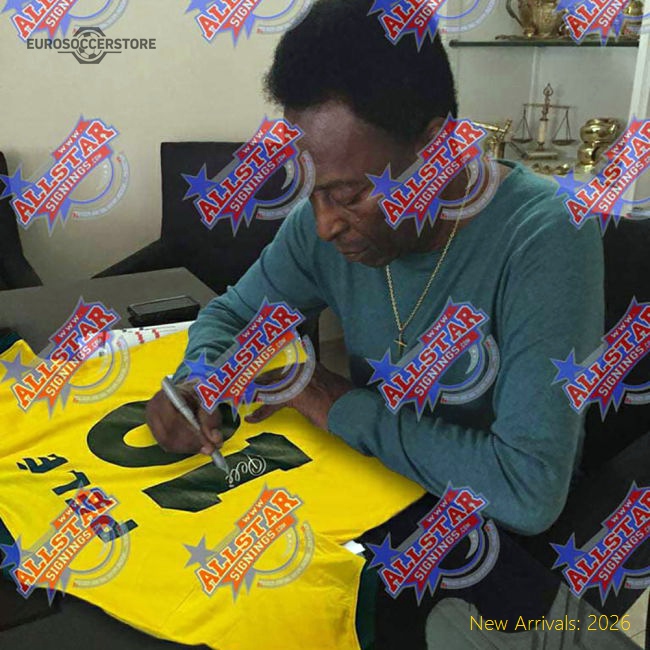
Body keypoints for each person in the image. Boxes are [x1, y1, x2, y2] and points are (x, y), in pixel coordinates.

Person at [146, 0, 603, 539]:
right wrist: (202, 380)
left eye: (348, 195)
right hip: (375, 493)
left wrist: (324, 396)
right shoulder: (325, 223)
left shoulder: (545, 235)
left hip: (491, 536)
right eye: (311, 191)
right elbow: (235, 316)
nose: (324, 225)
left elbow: (528, 490)